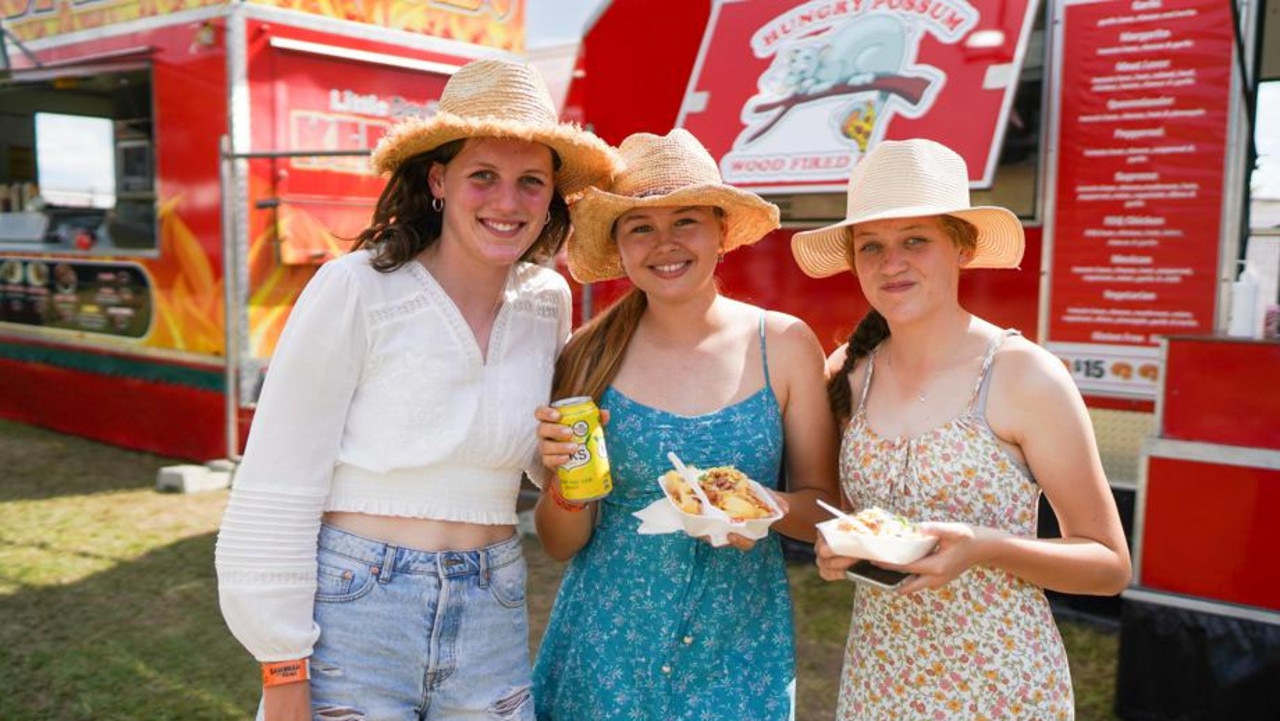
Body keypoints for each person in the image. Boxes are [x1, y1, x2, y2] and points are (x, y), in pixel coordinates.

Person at [213, 59, 618, 721]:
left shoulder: (547, 299)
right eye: (482, 175)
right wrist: (282, 668)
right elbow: (276, 480)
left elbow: (526, 459)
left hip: (493, 604)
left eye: (530, 181)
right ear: (438, 179)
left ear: (551, 197)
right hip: (357, 604)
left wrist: (568, 460)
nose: (507, 201)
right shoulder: (358, 288)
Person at [792, 138, 1132, 720]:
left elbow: (1109, 566)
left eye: (915, 241)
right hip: (880, 683)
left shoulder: (1022, 374)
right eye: (871, 246)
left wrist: (984, 548)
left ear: (962, 246)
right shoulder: (850, 372)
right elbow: (850, 513)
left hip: (1000, 687)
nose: (890, 263)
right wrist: (840, 543)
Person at [529, 129, 841, 721]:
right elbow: (558, 543)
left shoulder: (782, 343)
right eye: (641, 226)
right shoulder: (587, 354)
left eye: (686, 221)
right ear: (619, 246)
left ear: (722, 231)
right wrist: (565, 485)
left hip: (737, 653)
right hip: (606, 656)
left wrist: (760, 504)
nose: (664, 244)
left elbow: (822, 508)